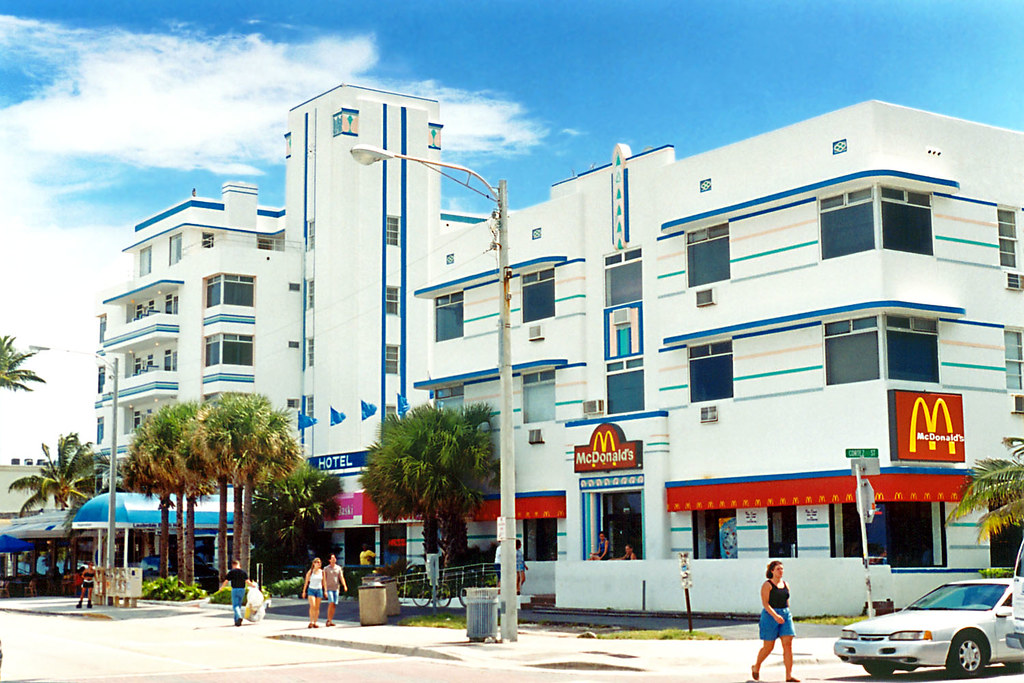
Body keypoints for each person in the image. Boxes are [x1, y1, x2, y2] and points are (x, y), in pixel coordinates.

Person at [752, 560, 798, 682]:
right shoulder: (767, 585)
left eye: (782, 569)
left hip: (785, 614)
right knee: (768, 647)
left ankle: (789, 676)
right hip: (770, 616)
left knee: (788, 645)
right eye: (778, 569)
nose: (781, 571)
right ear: (772, 571)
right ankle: (756, 666)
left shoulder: (786, 584)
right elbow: (765, 604)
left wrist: (786, 613)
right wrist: (775, 616)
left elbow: (786, 600)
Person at [222, 559, 255, 627]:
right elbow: (248, 582)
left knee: (235, 606)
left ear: (233, 565)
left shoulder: (231, 572)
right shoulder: (243, 572)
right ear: (239, 565)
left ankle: (239, 617)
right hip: (242, 590)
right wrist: (253, 585)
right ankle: (237, 621)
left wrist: (222, 587)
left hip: (235, 590)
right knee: (239, 605)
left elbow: (226, 581)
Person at [323, 553, 348, 627]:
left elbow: (341, 577)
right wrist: (325, 590)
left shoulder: (338, 568)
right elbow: (324, 580)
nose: (334, 559)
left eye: (334, 558)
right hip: (329, 588)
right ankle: (328, 619)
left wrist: (344, 585)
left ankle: (330, 620)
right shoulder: (326, 569)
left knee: (334, 604)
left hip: (336, 588)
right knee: (331, 602)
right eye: (332, 558)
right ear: (329, 560)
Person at [302, 557, 324, 628]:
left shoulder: (322, 572)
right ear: (313, 563)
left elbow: (324, 582)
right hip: (311, 589)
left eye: (319, 562)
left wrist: (325, 590)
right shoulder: (310, 572)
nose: (318, 563)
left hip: (319, 589)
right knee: (313, 606)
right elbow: (306, 582)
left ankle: (315, 622)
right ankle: (311, 621)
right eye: (317, 562)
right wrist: (304, 591)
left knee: (317, 607)